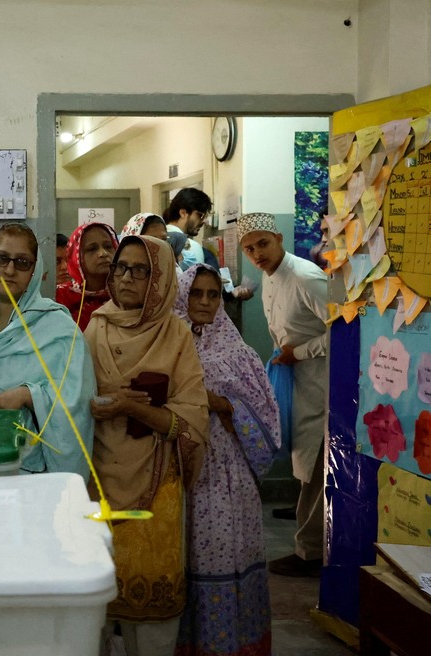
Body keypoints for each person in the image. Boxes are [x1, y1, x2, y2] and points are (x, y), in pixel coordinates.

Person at [85, 235, 209, 656]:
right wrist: (99, 407)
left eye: (141, 270)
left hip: (156, 484)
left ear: (159, 279)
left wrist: (134, 410)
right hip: (98, 479)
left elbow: (192, 418)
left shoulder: (176, 335)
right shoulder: (96, 325)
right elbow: (73, 398)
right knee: (92, 608)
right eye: (121, 267)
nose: (126, 278)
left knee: (152, 622)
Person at [173, 264, 281, 656]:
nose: (204, 302)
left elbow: (267, 416)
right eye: (196, 293)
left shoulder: (239, 352)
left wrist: (219, 403)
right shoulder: (167, 342)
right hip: (178, 468)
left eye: (213, 294)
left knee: (225, 551)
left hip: (226, 473)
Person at [0, 223, 94, 481]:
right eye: (1, 259)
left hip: (30, 473)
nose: (10, 270)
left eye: (22, 262)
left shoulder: (59, 330)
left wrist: (28, 395)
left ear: (36, 271)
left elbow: (77, 403)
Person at [238, 212, 328, 577]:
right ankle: (311, 546)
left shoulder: (308, 276)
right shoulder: (269, 276)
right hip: (296, 384)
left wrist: (300, 353)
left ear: (278, 238)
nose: (257, 253)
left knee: (319, 469)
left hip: (324, 387)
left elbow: (349, 326)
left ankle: (311, 554)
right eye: (249, 248)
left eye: (263, 244)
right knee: (307, 468)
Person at [55, 222, 119, 330]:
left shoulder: (124, 294)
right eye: (92, 249)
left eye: (108, 246)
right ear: (76, 256)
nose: (103, 253)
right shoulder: (59, 298)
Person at [163, 188, 212, 270]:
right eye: (200, 215)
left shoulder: (156, 239)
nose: (203, 221)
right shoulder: (193, 247)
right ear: (183, 213)